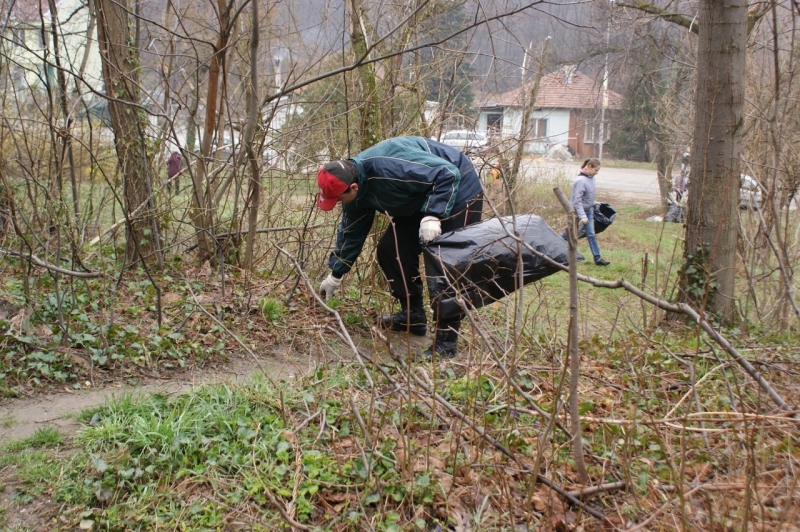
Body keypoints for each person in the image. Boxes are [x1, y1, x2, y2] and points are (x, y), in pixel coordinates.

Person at [316, 136, 483, 360]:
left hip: (459, 188)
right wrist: (336, 274)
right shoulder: (353, 192)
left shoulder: (390, 167)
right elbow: (352, 232)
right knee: (390, 250)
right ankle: (412, 316)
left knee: (445, 262)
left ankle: (446, 341)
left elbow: (448, 173)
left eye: (339, 199)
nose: (339, 204)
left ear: (352, 187)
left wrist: (433, 215)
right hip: (421, 197)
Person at [564, 157, 609, 266]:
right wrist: (582, 216)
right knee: (569, 235)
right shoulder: (580, 181)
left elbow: (587, 196)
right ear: (589, 167)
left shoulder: (591, 178)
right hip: (576, 212)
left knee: (591, 234)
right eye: (596, 170)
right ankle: (554, 247)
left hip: (588, 210)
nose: (597, 173)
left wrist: (594, 203)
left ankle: (597, 258)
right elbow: (577, 201)